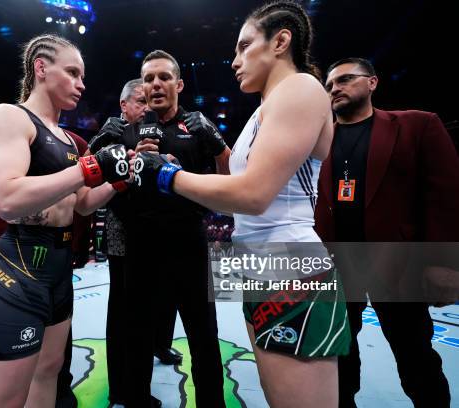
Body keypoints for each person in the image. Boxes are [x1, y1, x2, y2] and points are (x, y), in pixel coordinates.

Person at [133, 2, 351, 407]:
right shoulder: (264, 108)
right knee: (274, 395)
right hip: (257, 256)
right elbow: (237, 192)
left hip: (288, 259)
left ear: (281, 41)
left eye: (244, 46)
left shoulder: (300, 88)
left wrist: (166, 176)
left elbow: (253, 195)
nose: (234, 61)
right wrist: (178, 170)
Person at [0, 33, 130, 408]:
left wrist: (123, 178)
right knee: (3, 398)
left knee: (49, 371)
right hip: (20, 265)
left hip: (60, 267)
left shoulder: (69, 139)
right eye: (73, 73)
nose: (82, 84)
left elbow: (82, 205)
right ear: (41, 68)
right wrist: (92, 167)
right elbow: (7, 200)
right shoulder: (9, 117)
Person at [315, 57, 458, 408]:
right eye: (330, 84)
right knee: (338, 361)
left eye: (346, 79)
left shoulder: (417, 125)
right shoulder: (315, 140)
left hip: (397, 265)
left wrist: (445, 263)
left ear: (372, 82)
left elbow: (445, 196)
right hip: (336, 268)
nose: (335, 88)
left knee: (417, 361)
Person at [95, 49, 230, 407]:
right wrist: (103, 145)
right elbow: (90, 188)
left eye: (164, 77)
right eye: (149, 78)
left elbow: (230, 184)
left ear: (179, 84)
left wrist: (219, 149)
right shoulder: (128, 130)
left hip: (189, 243)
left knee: (203, 335)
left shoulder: (198, 127)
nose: (156, 84)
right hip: (141, 246)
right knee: (136, 334)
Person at [0, 137, 91, 408]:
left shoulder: (75, 141)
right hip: (14, 246)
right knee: (6, 340)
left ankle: (60, 391)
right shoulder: (12, 126)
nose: (81, 90)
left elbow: (81, 202)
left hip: (59, 250)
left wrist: (79, 242)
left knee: (53, 354)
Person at [90, 78, 182, 407]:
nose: (147, 108)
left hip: (157, 233)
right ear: (124, 105)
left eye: (149, 102)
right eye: (140, 102)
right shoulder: (113, 133)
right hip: (123, 234)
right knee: (123, 313)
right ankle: (122, 389)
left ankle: (149, 361)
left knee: (155, 305)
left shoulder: (155, 132)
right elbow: (84, 182)